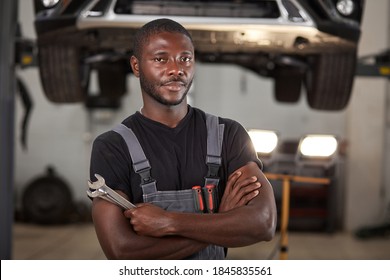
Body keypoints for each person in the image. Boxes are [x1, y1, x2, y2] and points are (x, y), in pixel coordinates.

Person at [89, 18, 277, 260]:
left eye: (185, 59)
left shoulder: (228, 135)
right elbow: (122, 250)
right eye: (160, 59)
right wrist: (218, 220)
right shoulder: (112, 147)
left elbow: (263, 223)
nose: (175, 69)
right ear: (136, 66)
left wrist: (169, 222)